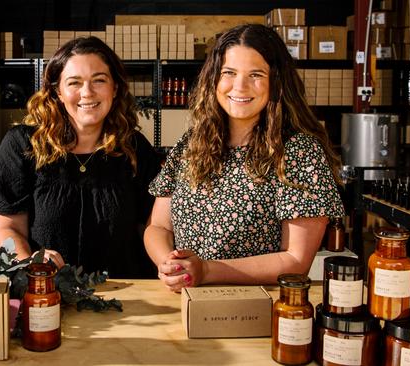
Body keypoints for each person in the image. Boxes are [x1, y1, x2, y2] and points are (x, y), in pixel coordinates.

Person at [144, 24, 345, 292]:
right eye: (229, 72)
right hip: (185, 298)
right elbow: (157, 226)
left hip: (253, 308)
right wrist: (171, 266)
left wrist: (205, 270)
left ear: (277, 82)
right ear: (214, 78)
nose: (240, 86)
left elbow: (296, 261)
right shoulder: (191, 142)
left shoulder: (299, 152)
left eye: (256, 74)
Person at [0, 36, 160, 278]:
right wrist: (31, 264)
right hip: (49, 292)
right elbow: (8, 227)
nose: (87, 92)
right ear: (58, 92)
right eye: (74, 82)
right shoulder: (23, 145)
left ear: (115, 88)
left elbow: (153, 225)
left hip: (126, 293)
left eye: (99, 80)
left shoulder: (134, 148)